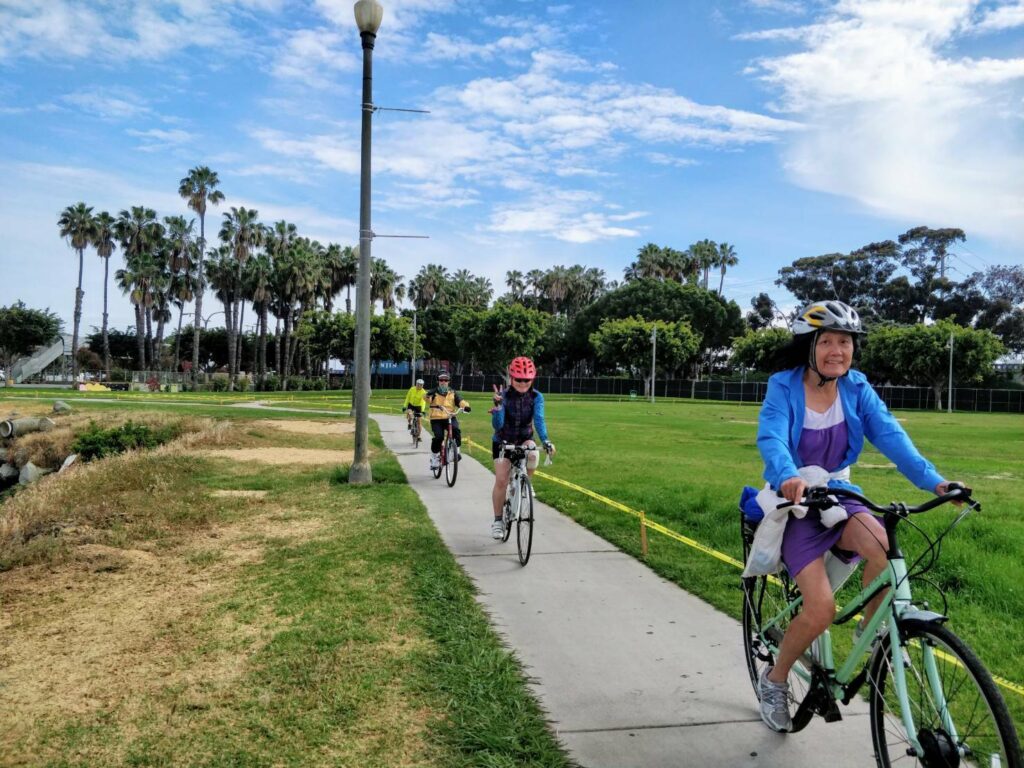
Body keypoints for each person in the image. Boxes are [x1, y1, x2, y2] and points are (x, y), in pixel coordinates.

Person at [755, 300, 959, 733]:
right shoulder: (783, 385)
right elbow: (772, 436)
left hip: (840, 494)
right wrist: (787, 475)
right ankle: (774, 680)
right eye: (826, 341)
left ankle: (875, 634)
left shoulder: (857, 388)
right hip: (796, 504)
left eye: (844, 342)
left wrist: (936, 483)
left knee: (884, 543)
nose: (837, 350)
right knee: (821, 609)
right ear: (808, 347)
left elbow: (891, 435)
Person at [489, 356, 555, 540]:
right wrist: (498, 407)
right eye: (518, 379)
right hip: (503, 441)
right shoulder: (504, 396)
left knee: (533, 452)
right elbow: (498, 425)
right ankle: (497, 521)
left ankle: (526, 482)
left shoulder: (537, 397)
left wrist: (546, 441)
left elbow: (539, 420)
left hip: (524, 438)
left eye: (527, 379)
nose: (522, 383)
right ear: (511, 378)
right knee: (502, 480)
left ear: (532, 379)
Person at [425, 371, 471, 471]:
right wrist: (428, 395)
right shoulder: (434, 392)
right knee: (439, 437)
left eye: (446, 380)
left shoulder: (453, 393)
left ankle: (455, 452)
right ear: (438, 381)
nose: (443, 382)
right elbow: (426, 399)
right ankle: (434, 457)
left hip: (450, 416)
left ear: (448, 381)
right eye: (441, 380)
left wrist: (466, 406)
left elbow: (460, 401)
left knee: (456, 430)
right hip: (436, 418)